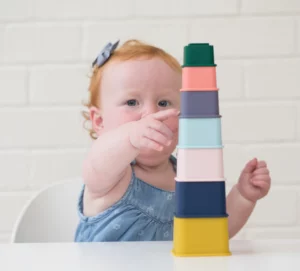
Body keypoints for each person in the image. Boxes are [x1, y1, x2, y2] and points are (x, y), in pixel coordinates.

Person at [74, 39, 271, 242]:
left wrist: (243, 196)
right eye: (132, 102)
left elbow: (210, 233)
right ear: (99, 121)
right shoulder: (111, 177)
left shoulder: (187, 174)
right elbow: (98, 161)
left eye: (163, 103)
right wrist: (131, 137)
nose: (150, 113)